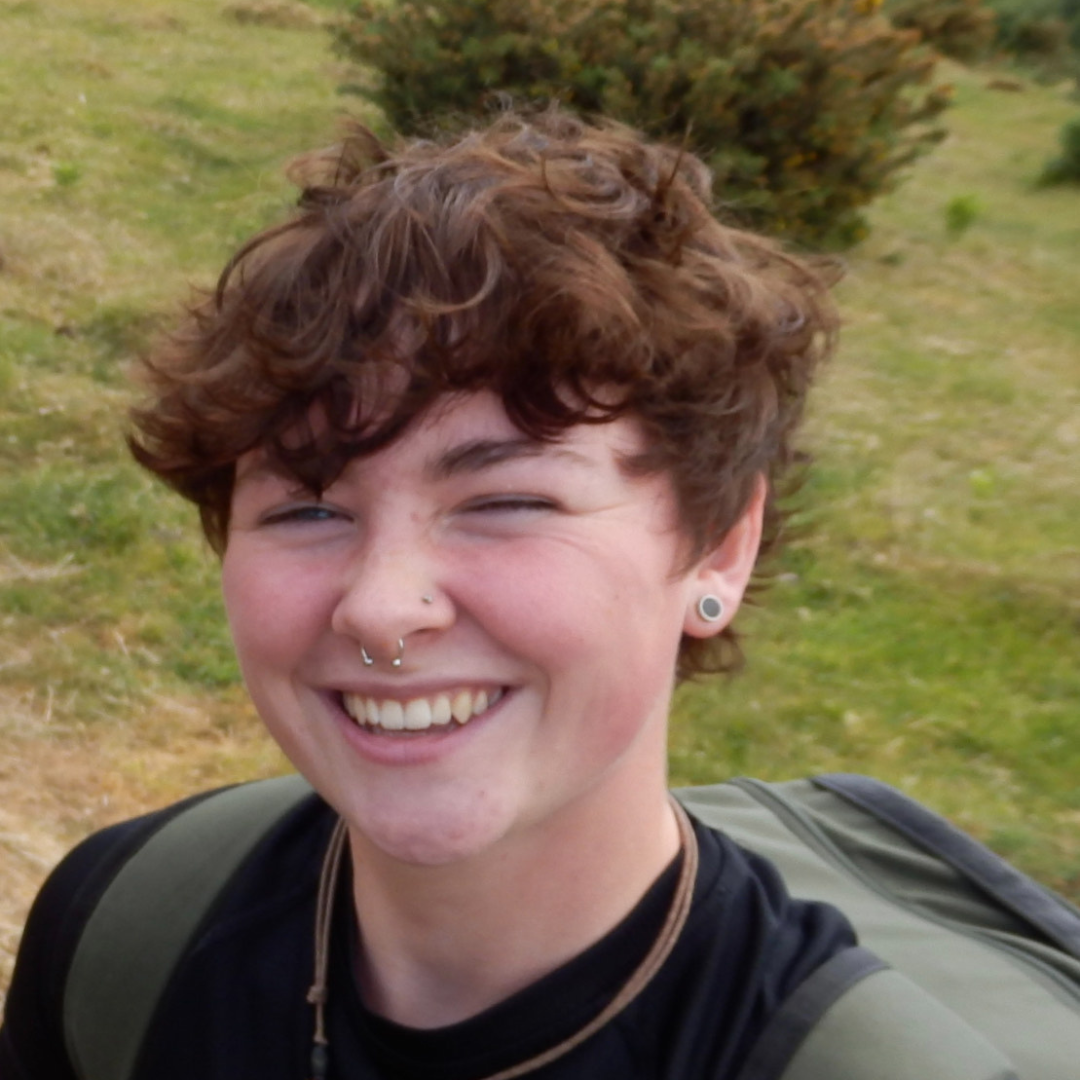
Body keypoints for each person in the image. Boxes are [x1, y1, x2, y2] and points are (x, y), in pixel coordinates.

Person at [1, 108, 860, 1079]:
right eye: (308, 511)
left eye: (506, 500)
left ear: (719, 550)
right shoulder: (119, 931)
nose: (379, 605)